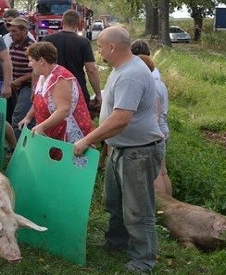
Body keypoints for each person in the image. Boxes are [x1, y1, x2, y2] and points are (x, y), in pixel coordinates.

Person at [74, 26, 165, 273]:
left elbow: (121, 118)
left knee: (138, 210)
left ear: (112, 47)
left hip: (138, 151)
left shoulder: (131, 74)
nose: (99, 50)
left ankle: (143, 260)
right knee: (115, 202)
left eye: (101, 46)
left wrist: (86, 139)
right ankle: (117, 243)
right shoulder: (121, 69)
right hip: (120, 149)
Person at [18, 41, 93, 143]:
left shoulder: (60, 78)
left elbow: (63, 110)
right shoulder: (43, 75)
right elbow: (39, 100)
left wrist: (42, 126)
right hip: (52, 130)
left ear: (41, 61)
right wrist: (28, 117)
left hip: (68, 133)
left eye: (31, 61)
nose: (29, 64)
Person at [42, 9, 101, 109]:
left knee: (52, 122)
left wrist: (35, 89)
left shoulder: (47, 40)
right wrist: (98, 94)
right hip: (77, 89)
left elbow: (38, 66)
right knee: (77, 122)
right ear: (78, 24)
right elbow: (91, 70)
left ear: (62, 22)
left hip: (51, 88)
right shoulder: (83, 42)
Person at [137, 54, 172, 195]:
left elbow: (155, 115)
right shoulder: (159, 83)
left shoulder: (151, 85)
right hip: (162, 129)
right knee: (162, 172)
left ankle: (163, 206)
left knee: (156, 175)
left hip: (156, 133)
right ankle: (170, 203)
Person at [7, 17, 36, 137]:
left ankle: (19, 146)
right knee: (18, 115)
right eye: (10, 31)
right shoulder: (12, 45)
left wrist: (21, 79)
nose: (11, 34)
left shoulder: (32, 47)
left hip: (28, 86)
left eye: (14, 31)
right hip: (15, 86)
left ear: (24, 31)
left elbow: (38, 70)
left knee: (19, 117)